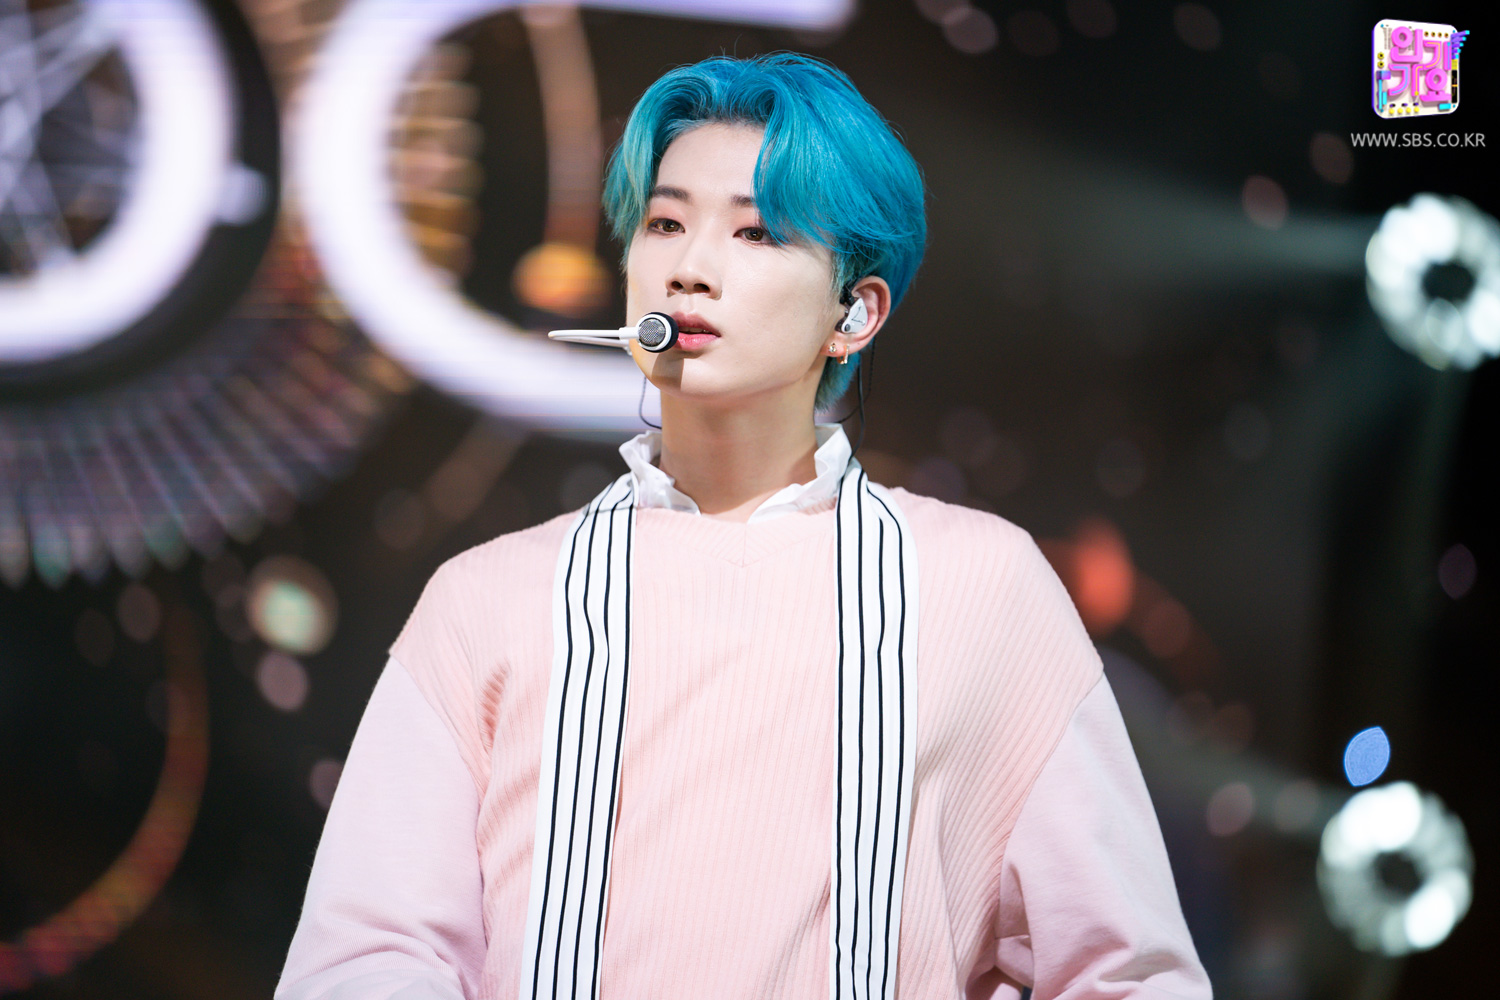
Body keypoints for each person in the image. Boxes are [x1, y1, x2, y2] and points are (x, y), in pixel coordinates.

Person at [276, 54, 1211, 1000]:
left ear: (855, 312)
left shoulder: (981, 588)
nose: (689, 269)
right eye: (665, 223)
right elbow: (364, 959)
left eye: (757, 233)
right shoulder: (488, 599)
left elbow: (1127, 975)